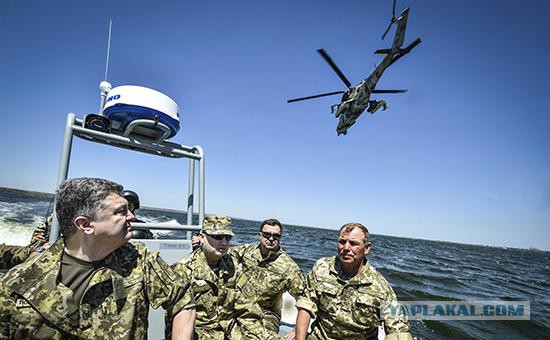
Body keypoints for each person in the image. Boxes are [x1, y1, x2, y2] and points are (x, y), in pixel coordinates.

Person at [0, 177, 195, 339]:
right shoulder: (16, 286)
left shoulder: (139, 260)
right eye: (121, 211)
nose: (132, 217)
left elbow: (183, 298)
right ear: (85, 224)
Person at [169, 215, 282, 340]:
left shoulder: (232, 266)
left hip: (230, 330)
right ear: (202, 237)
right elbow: (177, 322)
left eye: (227, 238)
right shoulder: (183, 270)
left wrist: (263, 336)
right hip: (200, 333)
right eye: (217, 237)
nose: (223, 242)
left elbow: (247, 308)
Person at [295, 222, 412, 340]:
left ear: (367, 248)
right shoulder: (322, 268)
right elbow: (306, 306)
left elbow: (398, 331)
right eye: (342, 242)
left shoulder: (381, 288)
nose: (346, 248)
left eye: (353, 243)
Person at [231, 218, 305, 335]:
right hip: (237, 306)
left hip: (265, 314)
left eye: (276, 236)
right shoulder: (246, 251)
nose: (271, 239)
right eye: (266, 235)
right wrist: (201, 242)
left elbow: (304, 299)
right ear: (259, 235)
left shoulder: (289, 267)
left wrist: (298, 328)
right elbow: (221, 254)